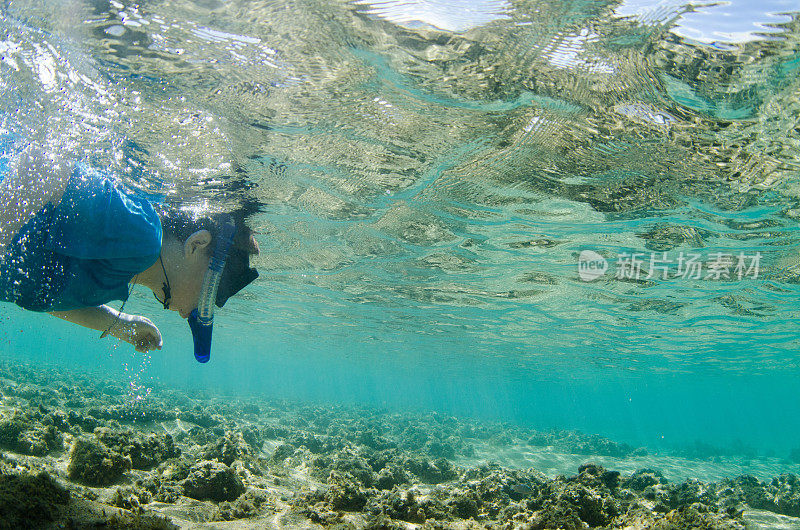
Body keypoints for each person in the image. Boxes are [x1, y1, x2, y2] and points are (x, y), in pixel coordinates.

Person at [0, 137, 259, 362]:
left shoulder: (123, 269)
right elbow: (42, 163)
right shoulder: (143, 236)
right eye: (208, 297)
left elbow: (43, 296)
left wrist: (121, 325)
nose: (190, 313)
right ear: (196, 245)